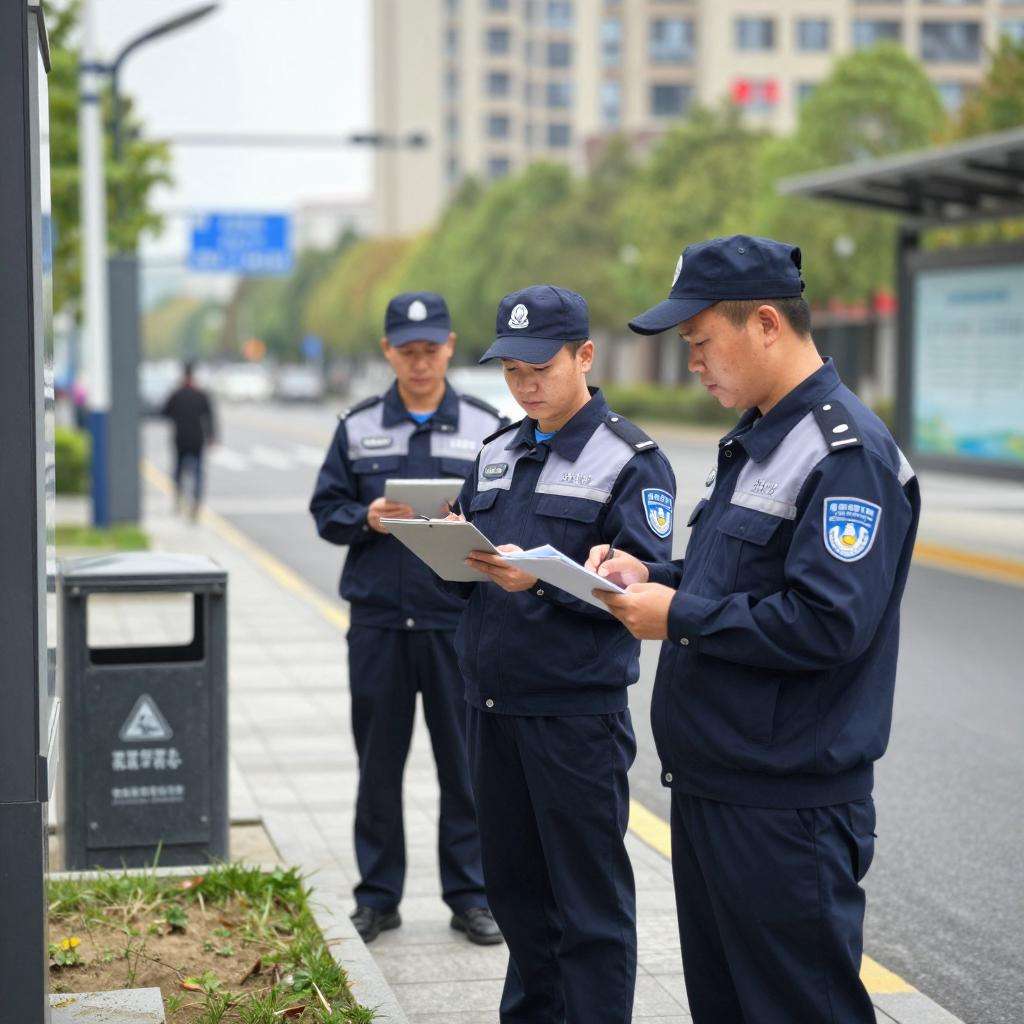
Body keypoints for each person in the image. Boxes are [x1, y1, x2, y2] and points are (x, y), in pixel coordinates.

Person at [589, 235, 921, 1024]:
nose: (694, 363)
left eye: (701, 342)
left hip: (785, 812)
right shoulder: (761, 436)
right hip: (719, 790)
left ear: (766, 324)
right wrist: (653, 576)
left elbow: (826, 623)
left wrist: (678, 616)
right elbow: (736, 576)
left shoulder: (847, 455)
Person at [448, 285, 676, 1023]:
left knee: (588, 906)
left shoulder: (631, 461)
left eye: (540, 368)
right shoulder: (495, 452)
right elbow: (472, 564)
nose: (525, 385)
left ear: (584, 356)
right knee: (515, 896)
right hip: (492, 708)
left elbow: (639, 593)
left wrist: (541, 580)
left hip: (574, 718)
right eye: (512, 371)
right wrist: (446, 547)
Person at [309, 291, 505, 946]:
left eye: (430, 350)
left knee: (465, 766)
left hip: (455, 623)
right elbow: (325, 510)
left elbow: (508, 512)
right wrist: (364, 517)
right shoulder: (357, 427)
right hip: (380, 625)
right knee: (377, 765)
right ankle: (377, 897)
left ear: (449, 347)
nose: (420, 363)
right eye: (407, 351)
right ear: (388, 352)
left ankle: (471, 896)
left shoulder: (485, 427)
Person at [161, 360, 216, 520]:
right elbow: (209, 417)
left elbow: (164, 412)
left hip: (180, 439)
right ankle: (196, 502)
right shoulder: (201, 395)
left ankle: (178, 498)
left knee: (178, 470)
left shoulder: (176, 394)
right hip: (197, 439)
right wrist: (211, 436)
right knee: (198, 472)